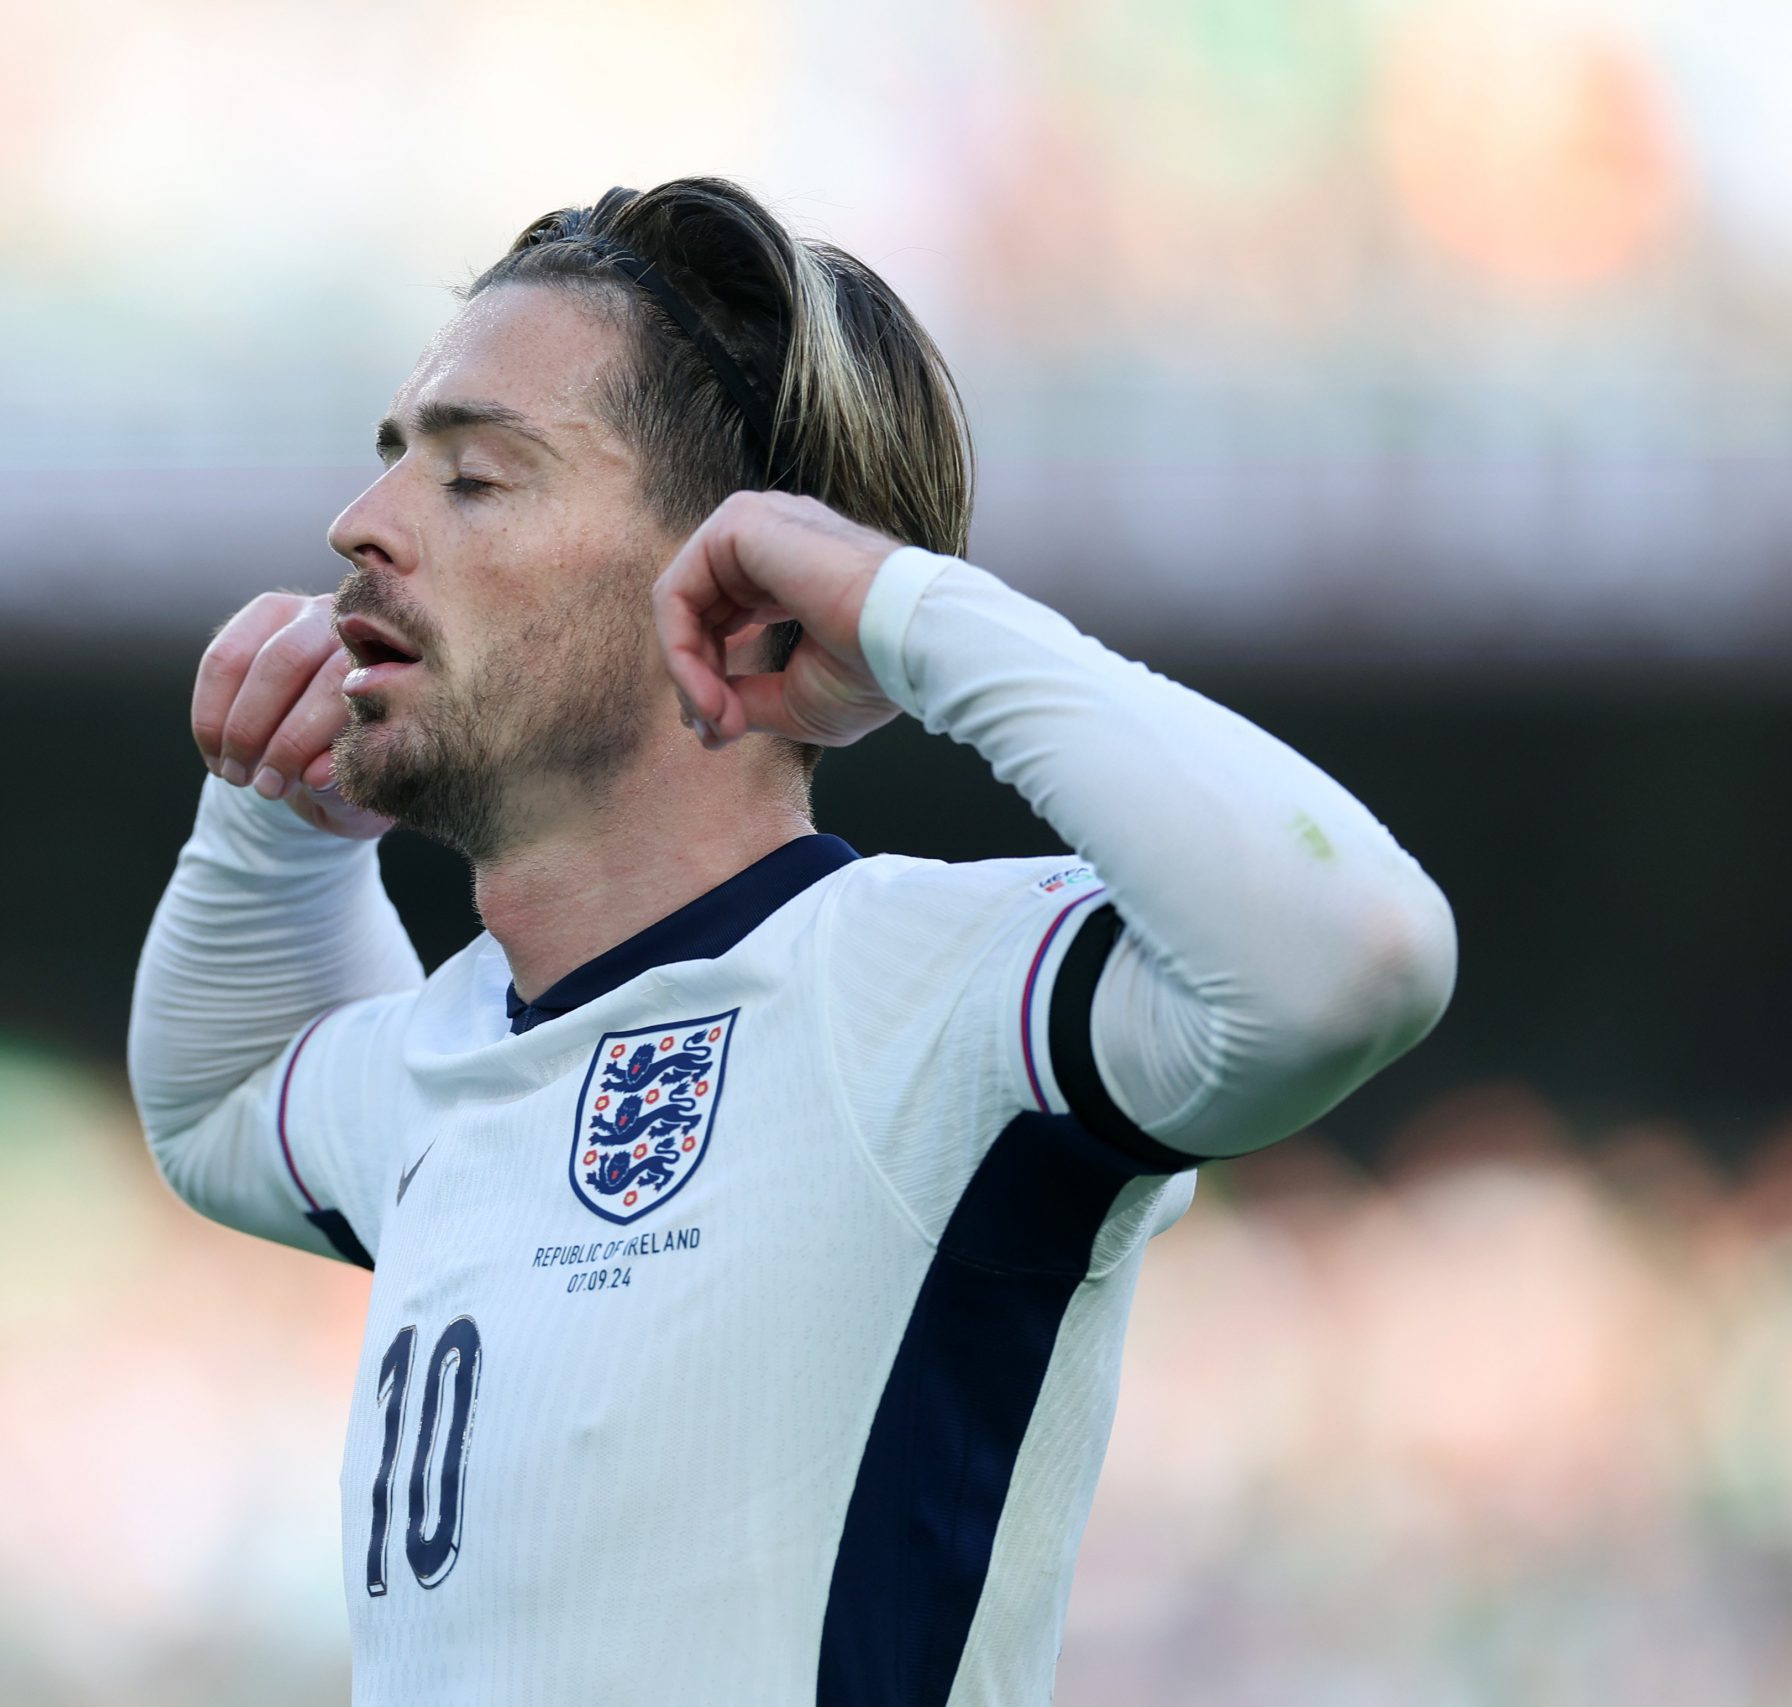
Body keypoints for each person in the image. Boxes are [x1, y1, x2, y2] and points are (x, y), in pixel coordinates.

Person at [126, 178, 1455, 1705]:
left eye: (476, 479)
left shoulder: (931, 994)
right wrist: (276, 810)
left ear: (746, 583)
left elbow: (1357, 954)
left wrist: (912, 614)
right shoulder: (445, 1054)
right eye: (390, 467)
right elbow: (219, 1099)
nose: (360, 528)